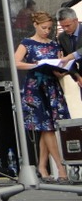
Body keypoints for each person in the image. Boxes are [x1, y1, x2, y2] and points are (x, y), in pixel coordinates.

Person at [14, 11, 70, 182]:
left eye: (49, 28)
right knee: (46, 127)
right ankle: (60, 168)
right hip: (35, 88)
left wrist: (61, 70)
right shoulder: (27, 43)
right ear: (35, 25)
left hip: (51, 86)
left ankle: (42, 166)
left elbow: (60, 65)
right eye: (44, 27)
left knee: (49, 127)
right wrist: (35, 65)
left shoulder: (54, 44)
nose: (47, 31)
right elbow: (16, 62)